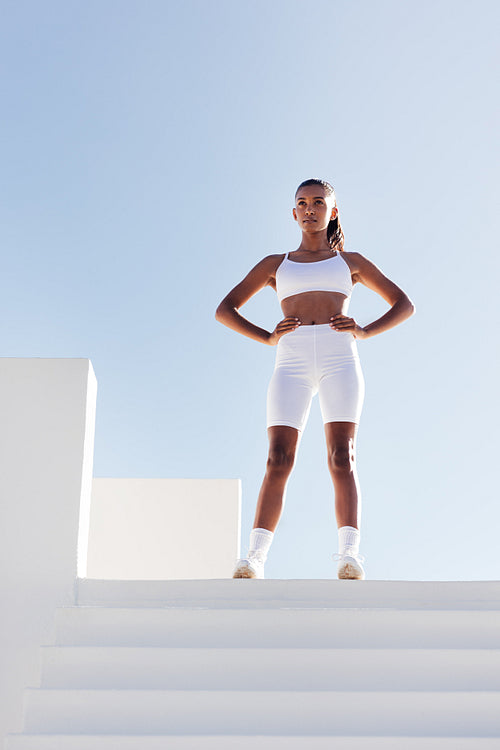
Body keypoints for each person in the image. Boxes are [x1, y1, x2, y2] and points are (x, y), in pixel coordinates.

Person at [215, 178, 415, 580]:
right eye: (302, 203)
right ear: (293, 213)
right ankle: (254, 558)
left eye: (318, 203)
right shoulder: (276, 264)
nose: (309, 209)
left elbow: (403, 304)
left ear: (332, 211)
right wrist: (268, 337)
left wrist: (365, 331)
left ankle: (349, 555)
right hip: (291, 361)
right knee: (278, 458)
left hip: (340, 356)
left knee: (343, 456)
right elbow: (226, 309)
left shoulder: (351, 262)